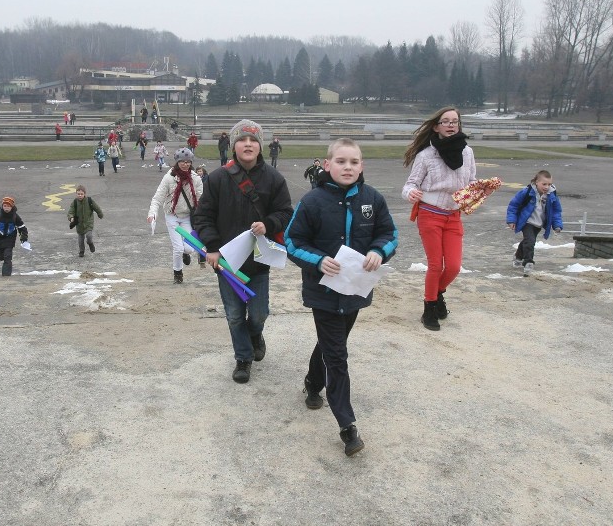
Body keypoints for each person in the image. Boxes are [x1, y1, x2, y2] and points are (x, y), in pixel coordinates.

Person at [285, 137, 398, 457]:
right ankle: (348, 426)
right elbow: (293, 242)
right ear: (327, 164)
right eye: (341, 161)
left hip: (355, 291)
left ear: (361, 166)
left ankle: (311, 382)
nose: (347, 167)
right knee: (337, 356)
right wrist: (318, 260)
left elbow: (389, 234)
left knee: (330, 343)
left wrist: (379, 251)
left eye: (354, 162)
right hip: (322, 291)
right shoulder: (313, 201)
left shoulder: (372, 199)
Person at [194, 119, 293, 383]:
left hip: (259, 260)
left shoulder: (274, 179)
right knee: (235, 314)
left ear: (260, 146)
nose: (247, 144)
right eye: (242, 140)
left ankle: (255, 333)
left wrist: (269, 223)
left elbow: (285, 213)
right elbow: (202, 216)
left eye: (253, 140)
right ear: (233, 145)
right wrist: (211, 249)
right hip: (226, 263)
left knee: (259, 313)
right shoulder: (216, 179)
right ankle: (243, 358)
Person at [402, 106, 477, 331]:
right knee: (436, 265)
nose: (451, 125)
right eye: (446, 121)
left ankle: (438, 294)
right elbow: (410, 184)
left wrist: (480, 189)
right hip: (430, 213)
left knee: (453, 266)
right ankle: (429, 308)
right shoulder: (426, 155)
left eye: (455, 121)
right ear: (436, 127)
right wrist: (410, 193)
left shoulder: (467, 152)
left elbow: (471, 180)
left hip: (453, 215)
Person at [147, 148, 204, 284]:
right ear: (177, 162)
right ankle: (178, 273)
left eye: (188, 162)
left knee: (189, 248)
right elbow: (157, 199)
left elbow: (202, 199)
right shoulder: (169, 178)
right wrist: (152, 213)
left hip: (187, 217)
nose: (185, 164)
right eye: (182, 162)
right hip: (172, 215)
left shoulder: (196, 179)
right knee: (178, 248)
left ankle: (186, 254)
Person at [506, 170, 563, 275]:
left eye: (549, 184)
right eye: (544, 184)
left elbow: (556, 211)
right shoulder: (527, 192)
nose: (546, 187)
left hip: (539, 223)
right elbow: (513, 205)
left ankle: (518, 256)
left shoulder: (551, 195)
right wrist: (511, 220)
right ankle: (528, 262)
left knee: (527, 241)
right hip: (527, 221)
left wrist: (557, 225)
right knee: (530, 241)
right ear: (537, 182)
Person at [0, 196, 29, 277]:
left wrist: (24, 239)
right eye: (5, 206)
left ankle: (6, 275)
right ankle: (0, 256)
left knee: (7, 257)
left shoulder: (15, 216)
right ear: (2, 206)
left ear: (12, 207)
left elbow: (22, 228)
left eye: (8, 206)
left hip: (9, 239)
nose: (6, 208)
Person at [67, 185, 104, 257]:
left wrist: (100, 214)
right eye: (78, 194)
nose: (80, 195)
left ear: (84, 194)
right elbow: (70, 212)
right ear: (76, 194)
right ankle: (81, 251)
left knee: (89, 236)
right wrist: (71, 218)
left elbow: (97, 208)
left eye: (81, 194)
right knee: (80, 239)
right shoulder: (75, 202)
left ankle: (90, 243)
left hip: (88, 222)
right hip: (79, 224)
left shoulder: (89, 200)